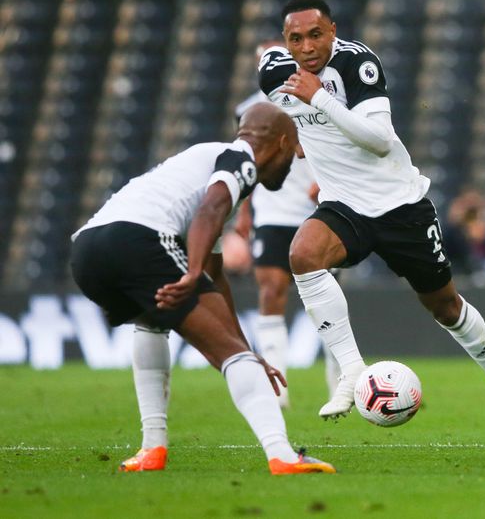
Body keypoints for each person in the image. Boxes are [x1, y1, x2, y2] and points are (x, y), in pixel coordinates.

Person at [257, 0, 485, 444]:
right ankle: (351, 372)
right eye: (296, 39)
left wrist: (320, 101)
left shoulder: (357, 63)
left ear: (332, 31)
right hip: (344, 205)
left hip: (399, 206)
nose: (307, 46)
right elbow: (280, 120)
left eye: (315, 35)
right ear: (284, 42)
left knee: (445, 307)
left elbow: (381, 142)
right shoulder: (274, 73)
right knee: (304, 255)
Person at [69, 103, 335, 474]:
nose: (293, 164)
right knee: (228, 356)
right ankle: (283, 456)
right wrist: (192, 274)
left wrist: (246, 347)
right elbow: (209, 213)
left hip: (88, 252)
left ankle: (152, 450)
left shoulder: (205, 164)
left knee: (152, 323)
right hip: (137, 238)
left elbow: (216, 274)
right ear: (280, 142)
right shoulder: (239, 159)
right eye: (293, 153)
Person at [232, 40, 338, 409]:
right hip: (273, 211)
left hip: (317, 212)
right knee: (271, 292)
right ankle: (277, 388)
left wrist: (328, 181)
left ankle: (339, 382)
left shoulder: (319, 97)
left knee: (326, 301)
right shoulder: (248, 110)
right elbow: (245, 162)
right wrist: (244, 214)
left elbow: (340, 144)